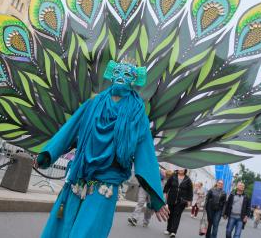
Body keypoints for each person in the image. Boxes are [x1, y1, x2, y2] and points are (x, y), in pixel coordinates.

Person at [35, 60, 169, 238]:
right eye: (119, 73)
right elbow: (69, 130)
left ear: (135, 80)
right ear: (112, 73)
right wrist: (47, 154)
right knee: (61, 230)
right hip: (78, 178)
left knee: (85, 233)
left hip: (106, 185)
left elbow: (146, 155)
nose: (121, 77)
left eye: (127, 74)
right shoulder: (94, 103)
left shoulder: (138, 115)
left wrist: (156, 198)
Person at [163, 169, 193, 237]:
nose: (181, 170)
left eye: (182, 168)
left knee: (177, 215)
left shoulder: (187, 179)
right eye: (180, 168)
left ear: (185, 170)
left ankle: (173, 231)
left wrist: (189, 200)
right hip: (171, 198)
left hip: (181, 201)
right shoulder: (173, 176)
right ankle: (168, 229)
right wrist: (165, 193)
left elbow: (190, 191)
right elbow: (167, 185)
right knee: (170, 214)